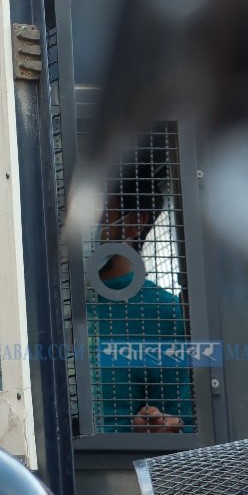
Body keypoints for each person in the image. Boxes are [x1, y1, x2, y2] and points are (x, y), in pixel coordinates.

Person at [88, 146, 193, 434]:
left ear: (134, 222)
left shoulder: (161, 312)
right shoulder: (36, 301)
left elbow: (181, 423)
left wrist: (158, 425)